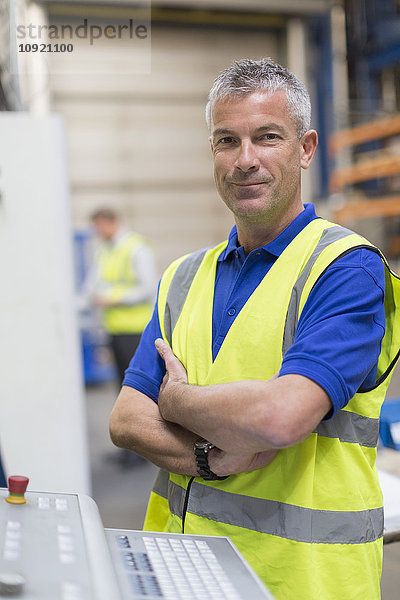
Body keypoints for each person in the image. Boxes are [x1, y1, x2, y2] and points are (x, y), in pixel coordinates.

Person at [109, 59, 400, 600]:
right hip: (182, 568)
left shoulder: (344, 268)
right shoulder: (182, 277)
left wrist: (174, 399)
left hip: (299, 580)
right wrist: (210, 457)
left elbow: (279, 417)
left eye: (267, 137)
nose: (245, 160)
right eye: (226, 141)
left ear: (306, 148)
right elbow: (126, 420)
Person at [88, 208, 157, 385]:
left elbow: (148, 288)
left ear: (110, 222)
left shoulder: (136, 248)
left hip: (136, 329)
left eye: (98, 227)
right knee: (122, 382)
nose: (97, 232)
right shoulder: (105, 249)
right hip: (114, 328)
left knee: (138, 383)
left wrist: (115, 300)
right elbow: (95, 282)